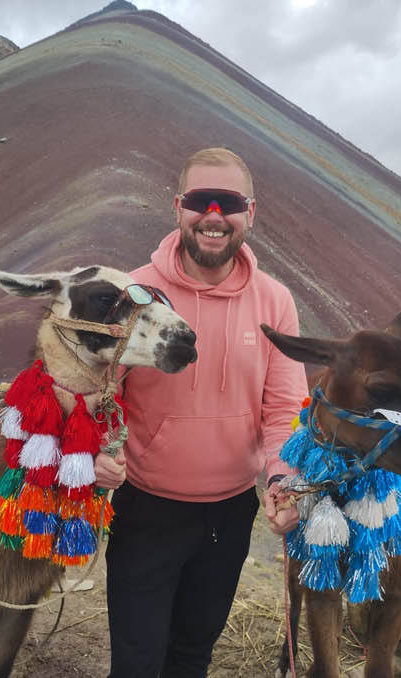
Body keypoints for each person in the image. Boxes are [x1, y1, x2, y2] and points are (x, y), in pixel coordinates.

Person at [93, 147, 307, 677]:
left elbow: (284, 409)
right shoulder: (133, 293)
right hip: (146, 512)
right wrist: (97, 452)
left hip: (231, 516)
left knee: (192, 656)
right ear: (178, 208)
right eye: (199, 200)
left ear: (249, 213)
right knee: (138, 663)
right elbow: (100, 396)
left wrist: (283, 479)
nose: (214, 214)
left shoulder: (275, 302)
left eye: (228, 201)